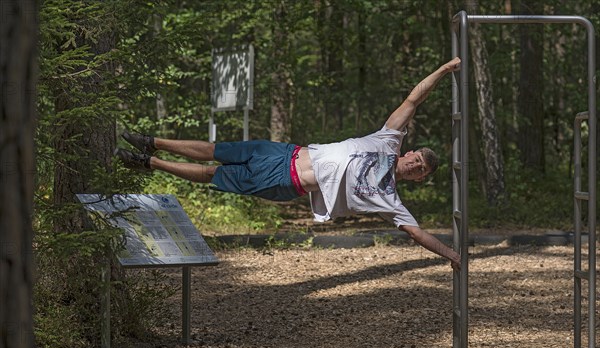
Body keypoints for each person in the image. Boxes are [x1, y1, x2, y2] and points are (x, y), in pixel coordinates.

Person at [115, 57, 462, 270]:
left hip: (286, 183)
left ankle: (150, 162)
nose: (415, 165)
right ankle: (151, 140)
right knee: (213, 149)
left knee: (212, 175)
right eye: (416, 158)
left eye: (421, 170)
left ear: (418, 178)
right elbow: (415, 98)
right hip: (282, 152)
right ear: (407, 152)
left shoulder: (389, 198)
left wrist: (452, 254)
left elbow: (417, 233)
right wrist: (445, 69)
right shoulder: (388, 140)